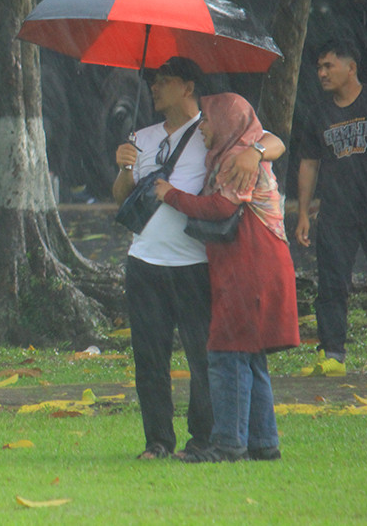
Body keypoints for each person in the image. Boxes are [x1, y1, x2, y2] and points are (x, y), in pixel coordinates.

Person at [113, 57, 283, 460]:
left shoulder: (213, 127)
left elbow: (274, 140)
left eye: (164, 81)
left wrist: (254, 153)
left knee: (202, 358)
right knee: (149, 359)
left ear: (188, 87)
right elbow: (121, 197)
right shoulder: (142, 135)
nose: (153, 87)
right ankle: (157, 440)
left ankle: (202, 437)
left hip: (193, 263)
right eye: (152, 81)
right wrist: (123, 168)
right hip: (145, 260)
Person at [154, 93, 300, 462]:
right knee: (250, 355)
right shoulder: (239, 149)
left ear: (225, 121)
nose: (201, 127)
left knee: (226, 353)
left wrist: (170, 195)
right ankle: (263, 443)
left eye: (206, 120)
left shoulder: (237, 158)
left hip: (248, 263)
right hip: (255, 261)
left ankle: (228, 443)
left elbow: (221, 208)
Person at [295, 39, 367, 377]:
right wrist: (303, 211)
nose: (322, 73)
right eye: (319, 67)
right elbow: (309, 163)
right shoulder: (319, 112)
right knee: (331, 286)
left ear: (351, 67)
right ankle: (333, 355)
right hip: (335, 213)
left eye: (329, 66)